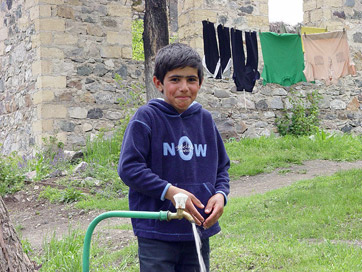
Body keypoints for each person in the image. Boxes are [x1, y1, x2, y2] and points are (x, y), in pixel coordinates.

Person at [118, 43, 230, 272]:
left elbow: (222, 168)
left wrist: (220, 195)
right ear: (158, 83)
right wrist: (171, 192)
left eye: (191, 79)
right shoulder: (146, 118)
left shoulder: (205, 120)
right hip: (157, 230)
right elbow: (129, 168)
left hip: (196, 228)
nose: (184, 87)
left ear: (200, 82)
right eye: (175, 79)